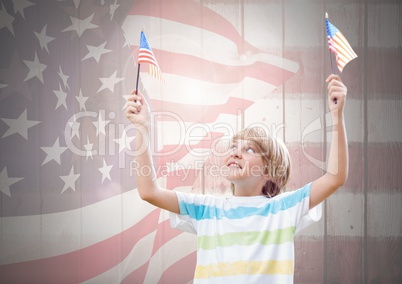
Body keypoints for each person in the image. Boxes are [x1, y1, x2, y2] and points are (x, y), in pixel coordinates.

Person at [125, 74, 348, 283]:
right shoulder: (207, 209)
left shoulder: (285, 209)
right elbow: (149, 192)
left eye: (250, 149)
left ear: (270, 171)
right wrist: (142, 128)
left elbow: (335, 177)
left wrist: (336, 116)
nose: (235, 152)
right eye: (233, 146)